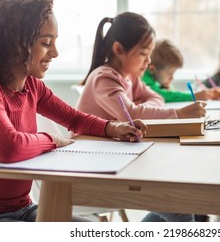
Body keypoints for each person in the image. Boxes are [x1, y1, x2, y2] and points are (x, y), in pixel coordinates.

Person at [0, 0, 147, 222]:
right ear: (14, 43)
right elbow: (8, 149)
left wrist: (113, 128)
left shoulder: (32, 86)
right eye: (46, 43)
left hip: (23, 209)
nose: (54, 52)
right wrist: (52, 141)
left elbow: (74, 119)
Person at [76, 12, 206, 222]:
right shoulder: (104, 78)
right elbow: (133, 114)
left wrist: (138, 108)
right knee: (181, 209)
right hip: (94, 173)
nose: (149, 61)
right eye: (144, 53)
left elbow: (155, 98)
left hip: (117, 161)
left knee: (185, 196)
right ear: (119, 49)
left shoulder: (129, 78)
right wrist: (179, 114)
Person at [142, 39, 220, 102]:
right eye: (170, 74)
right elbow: (160, 95)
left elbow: (172, 93)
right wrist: (194, 96)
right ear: (152, 69)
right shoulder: (143, 78)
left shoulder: (155, 80)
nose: (172, 78)